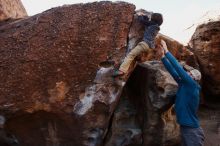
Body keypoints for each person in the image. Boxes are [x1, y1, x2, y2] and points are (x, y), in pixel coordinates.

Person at [158, 40, 205, 146]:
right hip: (186, 127)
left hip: (192, 131)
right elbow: (174, 72)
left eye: (189, 72)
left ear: (193, 77)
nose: (187, 72)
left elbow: (179, 69)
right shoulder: (184, 84)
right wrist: (162, 58)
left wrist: (166, 51)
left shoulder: (191, 85)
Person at [112, 12, 163, 77]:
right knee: (136, 57)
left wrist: (139, 15)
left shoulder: (151, 24)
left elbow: (142, 21)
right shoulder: (155, 27)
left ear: (153, 19)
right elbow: (146, 22)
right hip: (149, 47)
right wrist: (145, 16)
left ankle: (122, 70)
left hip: (144, 44)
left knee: (131, 55)